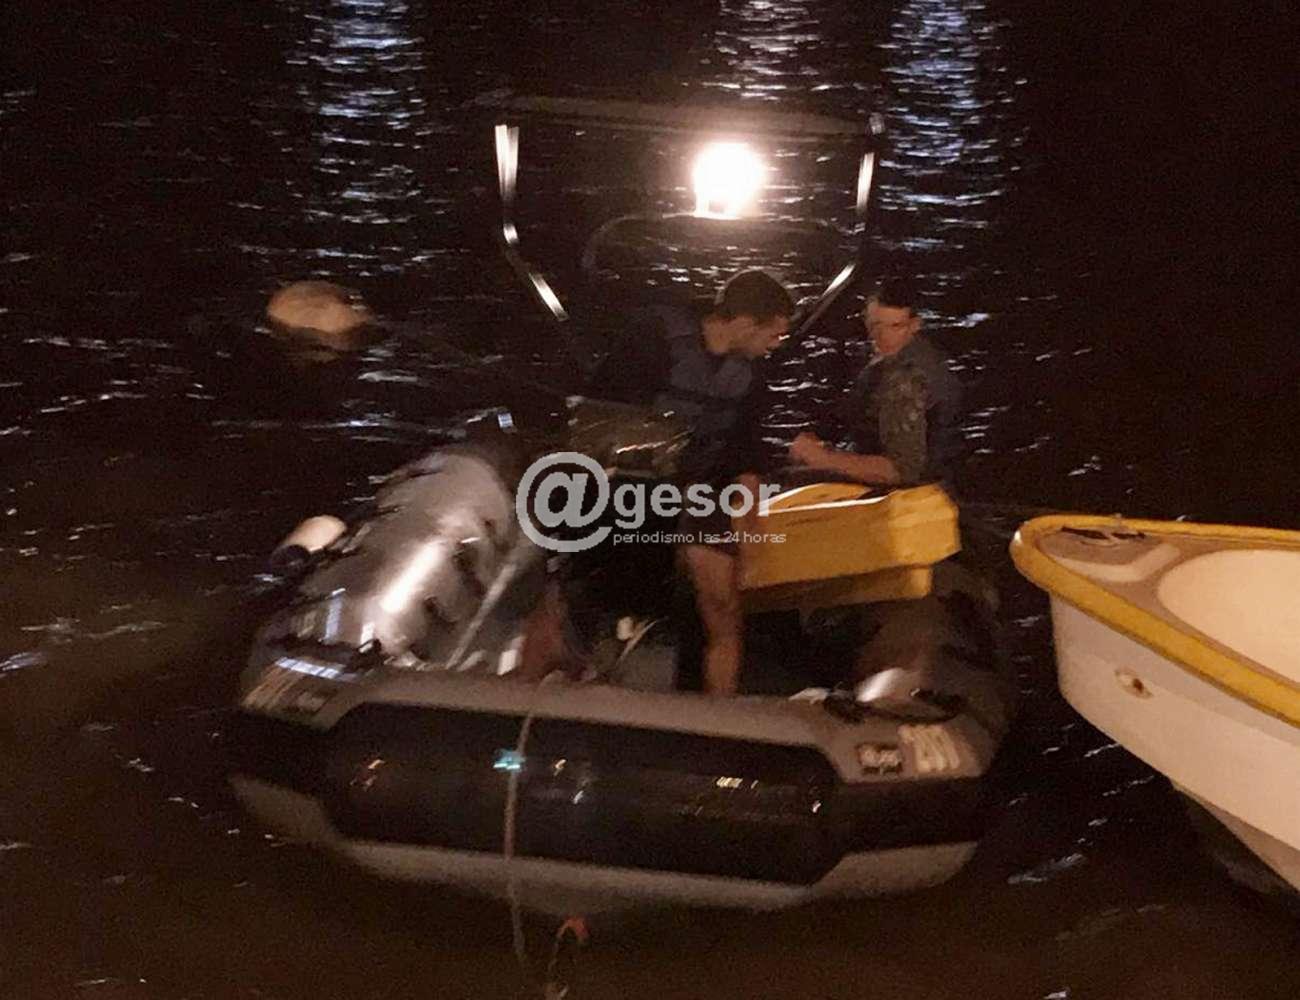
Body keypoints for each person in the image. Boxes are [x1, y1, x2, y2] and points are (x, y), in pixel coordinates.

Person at [594, 270, 794, 696]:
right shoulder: (653, 340)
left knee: (723, 604)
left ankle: (719, 705)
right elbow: (605, 421)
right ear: (746, 324)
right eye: (773, 334)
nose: (776, 344)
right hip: (630, 485)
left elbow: (746, 449)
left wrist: (750, 517)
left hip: (703, 488)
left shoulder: (751, 374)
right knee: (584, 595)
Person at [788, 279, 961, 489]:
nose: (883, 336)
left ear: (915, 325)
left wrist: (823, 458)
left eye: (895, 326)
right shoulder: (896, 356)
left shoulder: (907, 380)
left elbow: (902, 471)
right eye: (875, 325)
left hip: (911, 497)